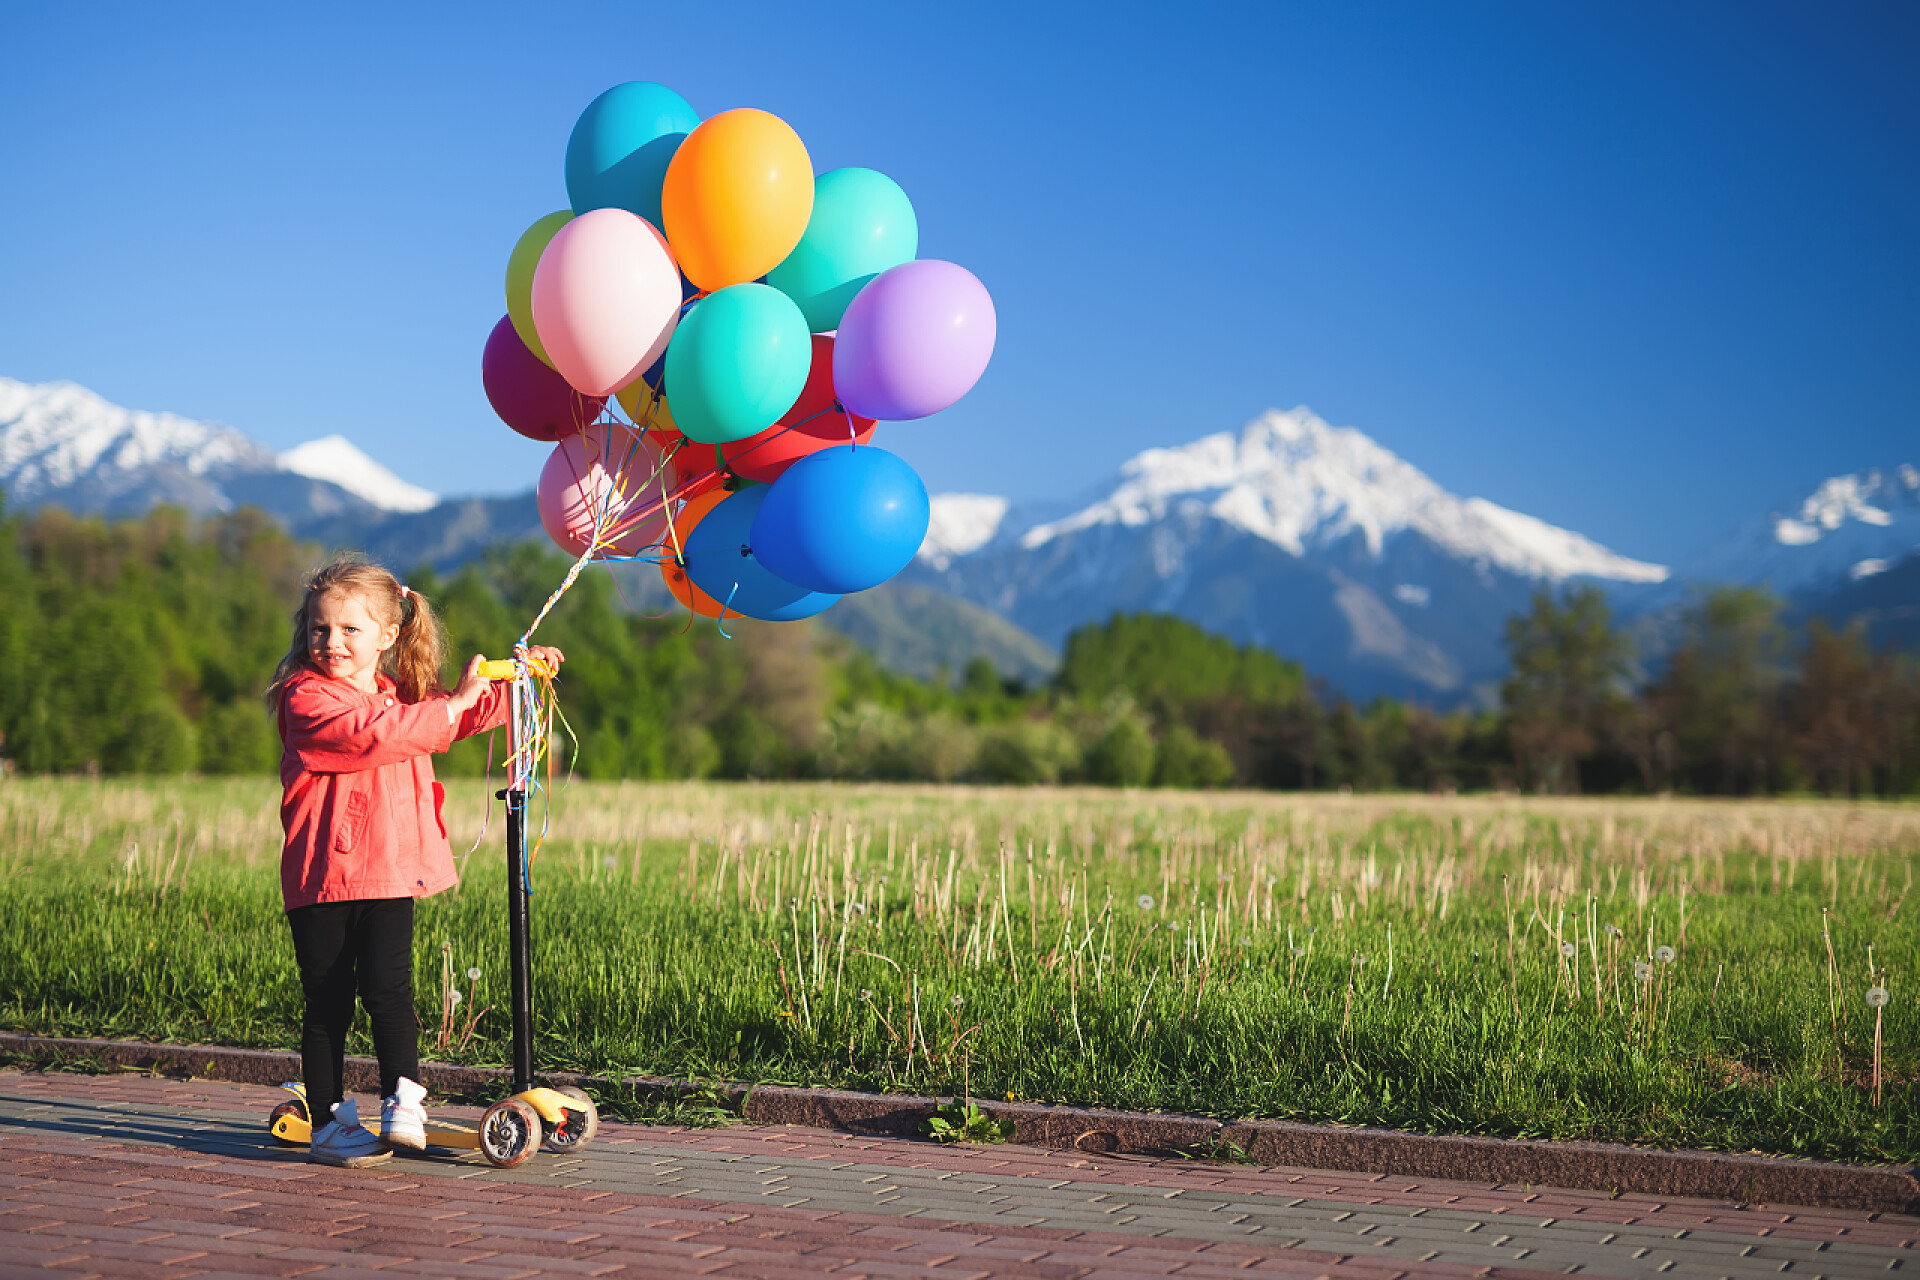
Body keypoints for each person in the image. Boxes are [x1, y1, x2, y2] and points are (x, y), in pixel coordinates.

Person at [266, 558, 564, 1167]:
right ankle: (326, 1118)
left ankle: (404, 1096)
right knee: (328, 1001)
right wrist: (451, 704)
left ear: (387, 635)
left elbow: (448, 720)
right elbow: (375, 734)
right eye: (321, 629)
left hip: (389, 869)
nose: (332, 643)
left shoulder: (396, 695)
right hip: (324, 876)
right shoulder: (308, 698)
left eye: (351, 630)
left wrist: (512, 684)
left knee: (390, 990)